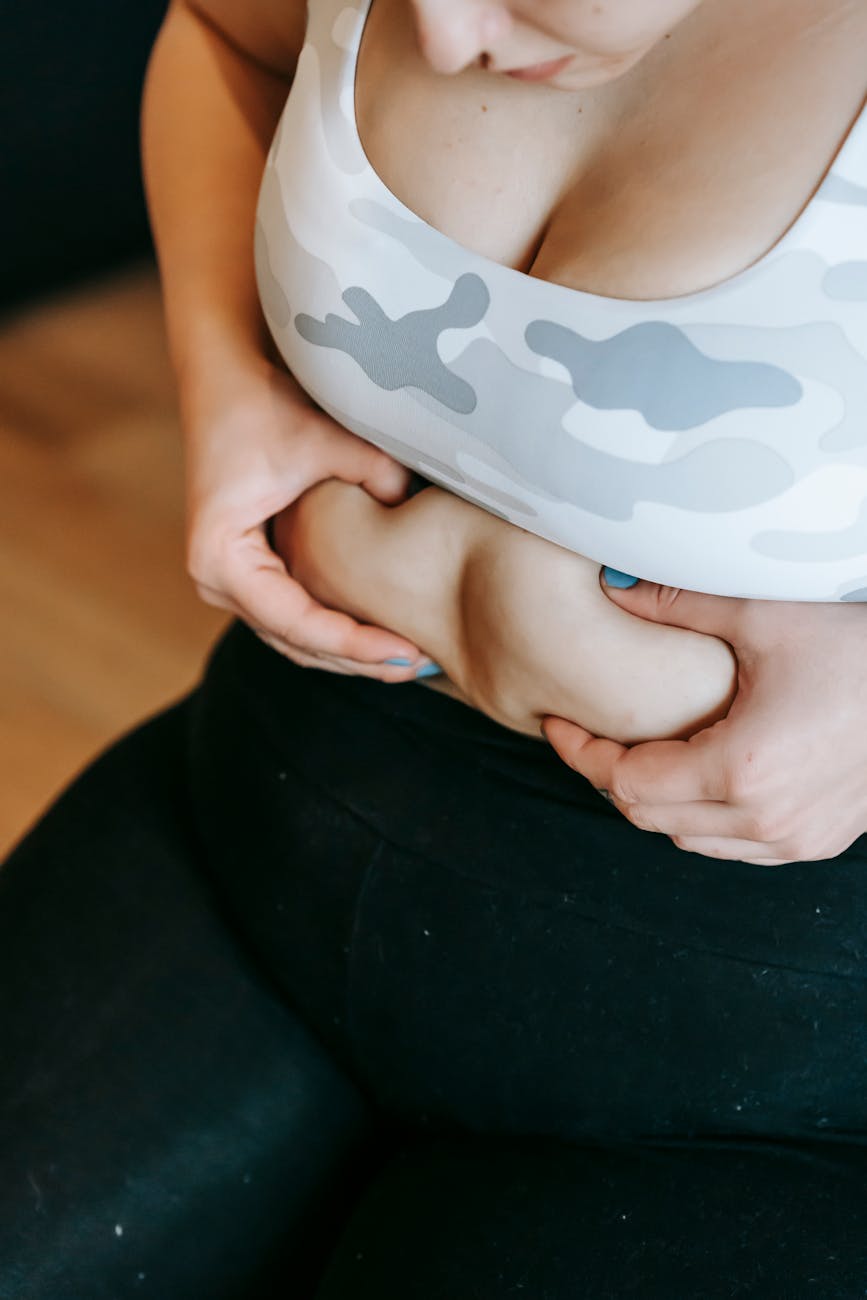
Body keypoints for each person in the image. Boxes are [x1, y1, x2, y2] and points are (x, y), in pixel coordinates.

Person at [2, 0, 867, 1295]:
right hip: (272, 816)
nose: (450, 35)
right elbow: (222, 36)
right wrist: (225, 377)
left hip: (741, 1067)